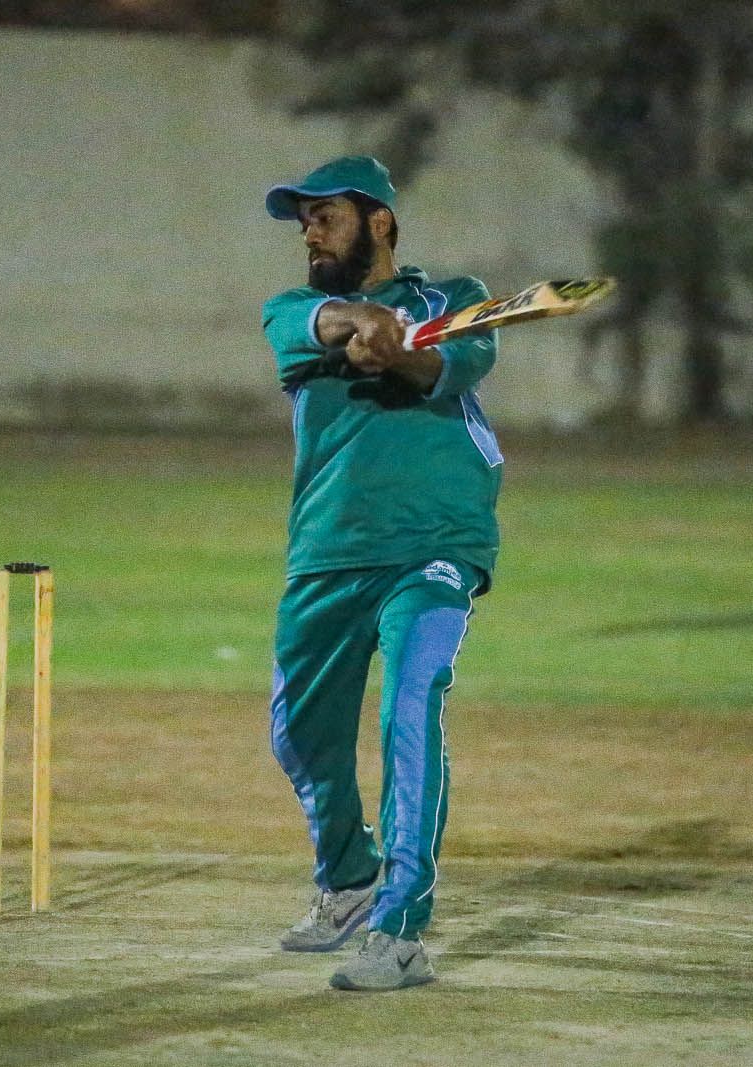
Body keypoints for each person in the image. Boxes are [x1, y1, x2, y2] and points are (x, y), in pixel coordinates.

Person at [260, 156, 502, 991]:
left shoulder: (453, 301)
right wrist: (360, 323)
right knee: (299, 734)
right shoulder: (289, 311)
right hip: (327, 550)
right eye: (305, 223)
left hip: (434, 541)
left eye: (325, 216)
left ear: (381, 221)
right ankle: (351, 877)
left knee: (410, 704)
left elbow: (446, 365)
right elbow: (320, 323)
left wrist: (400, 350)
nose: (311, 233)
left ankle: (399, 928)